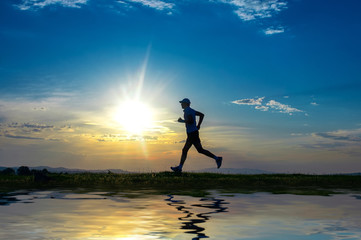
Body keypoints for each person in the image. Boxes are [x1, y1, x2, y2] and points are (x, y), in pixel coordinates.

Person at [171, 98, 222, 173]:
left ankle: (179, 168)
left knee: (185, 150)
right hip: (193, 133)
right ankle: (217, 158)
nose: (181, 104)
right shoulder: (191, 110)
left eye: (182, 103)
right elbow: (202, 115)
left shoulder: (188, 111)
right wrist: (198, 125)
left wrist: (181, 121)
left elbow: (191, 121)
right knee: (199, 150)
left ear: (186, 104)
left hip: (192, 134)